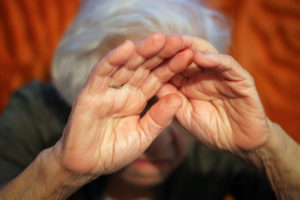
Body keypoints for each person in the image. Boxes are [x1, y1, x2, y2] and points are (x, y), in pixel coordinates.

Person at [0, 0, 299, 199]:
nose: (158, 143)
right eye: (134, 104)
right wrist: (60, 172)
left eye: (178, 106)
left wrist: (268, 149)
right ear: (79, 86)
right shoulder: (37, 115)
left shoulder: (215, 140)